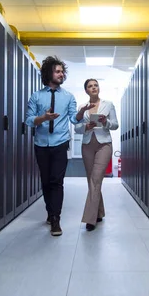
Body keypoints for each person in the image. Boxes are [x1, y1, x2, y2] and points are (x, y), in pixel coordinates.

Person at [25, 56, 94, 236]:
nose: (61, 74)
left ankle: (56, 219)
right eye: (58, 71)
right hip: (41, 144)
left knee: (57, 181)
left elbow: (72, 118)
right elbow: (29, 120)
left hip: (60, 143)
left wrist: (81, 112)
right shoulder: (36, 96)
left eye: (62, 72)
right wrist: (44, 118)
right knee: (46, 181)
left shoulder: (68, 97)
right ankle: (50, 212)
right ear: (49, 73)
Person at [74, 79, 118, 231]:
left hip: (104, 144)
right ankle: (99, 212)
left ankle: (90, 219)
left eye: (95, 85)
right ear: (86, 90)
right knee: (91, 180)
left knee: (96, 178)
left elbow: (115, 125)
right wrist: (85, 126)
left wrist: (105, 122)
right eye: (90, 86)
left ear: (99, 88)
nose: (93, 88)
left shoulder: (109, 104)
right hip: (87, 145)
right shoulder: (83, 108)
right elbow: (76, 128)